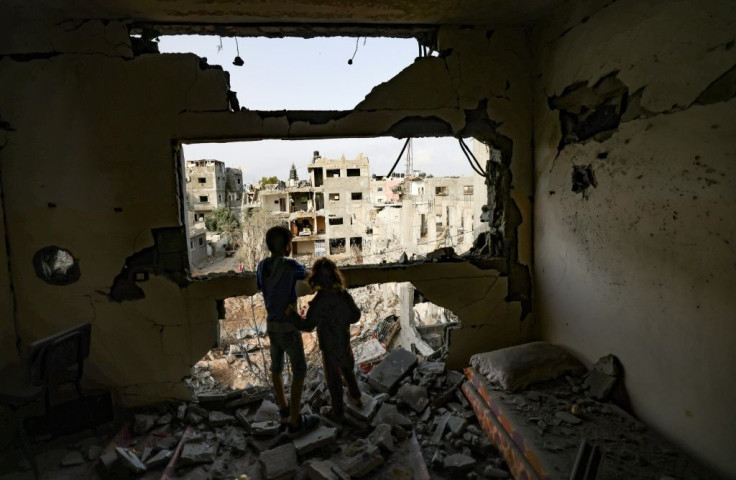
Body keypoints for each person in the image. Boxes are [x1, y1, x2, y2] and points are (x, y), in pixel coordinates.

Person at [257, 226, 319, 437]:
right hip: (289, 328)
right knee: (299, 370)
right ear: (286, 247)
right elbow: (310, 278)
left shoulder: (262, 266)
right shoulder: (291, 266)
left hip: (272, 326)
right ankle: (295, 421)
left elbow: (261, 286)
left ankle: (283, 409)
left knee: (276, 368)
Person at [306, 257, 363, 422]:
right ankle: (357, 398)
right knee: (348, 370)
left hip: (328, 346)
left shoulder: (318, 301)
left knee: (334, 380)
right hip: (343, 341)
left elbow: (308, 325)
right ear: (335, 276)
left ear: (316, 279)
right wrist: (342, 318)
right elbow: (355, 315)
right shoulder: (343, 295)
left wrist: (291, 316)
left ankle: (338, 412)